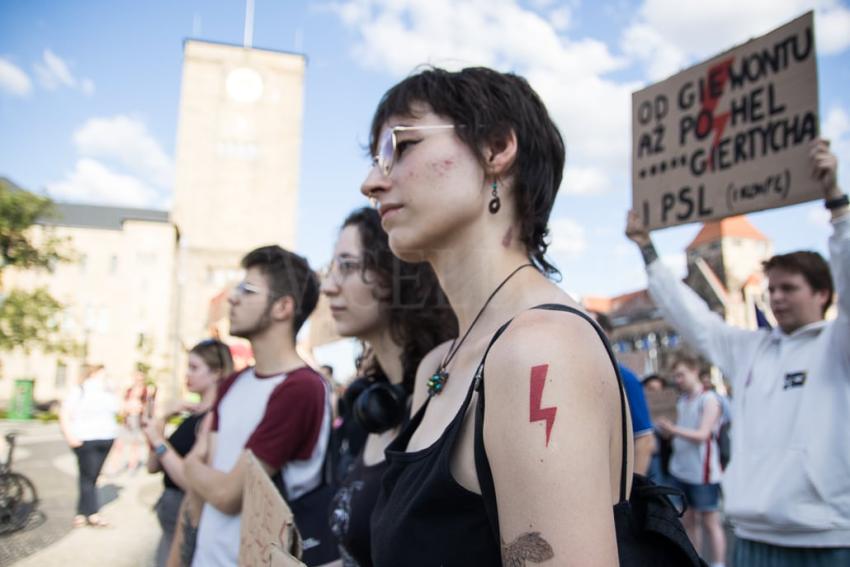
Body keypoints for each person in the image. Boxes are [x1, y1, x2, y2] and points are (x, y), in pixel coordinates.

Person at [360, 66, 632, 566]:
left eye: (402, 146)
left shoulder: (539, 348)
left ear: (496, 150)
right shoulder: (438, 366)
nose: (371, 182)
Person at [626, 138, 850, 566]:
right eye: (773, 289)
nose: (778, 298)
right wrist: (647, 248)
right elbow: (692, 317)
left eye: (790, 289)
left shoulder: (838, 345)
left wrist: (838, 206)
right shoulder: (751, 349)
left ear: (822, 292)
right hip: (752, 533)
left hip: (827, 535)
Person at [322, 207, 457, 567]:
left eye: (347, 266)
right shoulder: (370, 405)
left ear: (396, 273)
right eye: (332, 268)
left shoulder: (442, 400)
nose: (328, 285)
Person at [183, 245, 330, 567]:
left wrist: (191, 464)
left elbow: (226, 495)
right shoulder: (236, 382)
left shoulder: (300, 388)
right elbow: (209, 479)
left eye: (247, 290)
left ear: (282, 307)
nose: (232, 298)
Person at [142, 339, 233, 567]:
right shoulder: (190, 416)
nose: (187, 374)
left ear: (216, 373)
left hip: (187, 513)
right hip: (169, 515)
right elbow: (152, 466)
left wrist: (157, 440)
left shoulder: (214, 419)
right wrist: (162, 420)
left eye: (194, 368)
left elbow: (191, 481)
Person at [656, 353, 726, 567]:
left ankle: (718, 563)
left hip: (702, 472)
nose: (678, 380)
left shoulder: (709, 399)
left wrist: (673, 430)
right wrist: (667, 432)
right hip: (682, 469)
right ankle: (695, 560)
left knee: (710, 521)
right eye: (675, 376)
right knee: (689, 520)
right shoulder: (682, 401)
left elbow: (703, 434)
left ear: (694, 371)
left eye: (681, 375)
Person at [593, 311, 655, 475]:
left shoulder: (625, 378)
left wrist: (633, 494)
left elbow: (644, 440)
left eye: (592, 326)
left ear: (607, 334)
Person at [58, 363, 120, 528]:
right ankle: (91, 513)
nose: (105, 377)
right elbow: (64, 412)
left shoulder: (108, 392)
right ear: (92, 374)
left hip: (106, 437)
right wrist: (69, 435)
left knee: (91, 476)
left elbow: (117, 410)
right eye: (102, 374)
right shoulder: (80, 390)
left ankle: (82, 512)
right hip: (86, 438)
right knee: (89, 476)